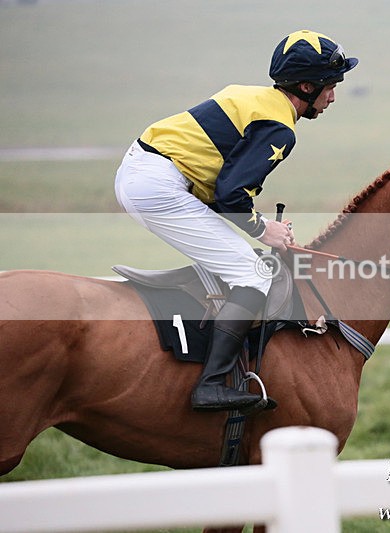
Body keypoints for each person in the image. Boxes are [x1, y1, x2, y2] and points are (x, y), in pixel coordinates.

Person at [114, 30, 358, 413]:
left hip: (148, 172)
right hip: (157, 185)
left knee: (242, 260)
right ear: (307, 86)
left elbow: (223, 190)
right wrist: (265, 229)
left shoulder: (256, 98)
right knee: (254, 274)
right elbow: (230, 196)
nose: (333, 97)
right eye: (330, 86)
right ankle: (210, 385)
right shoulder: (280, 127)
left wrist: (263, 228)